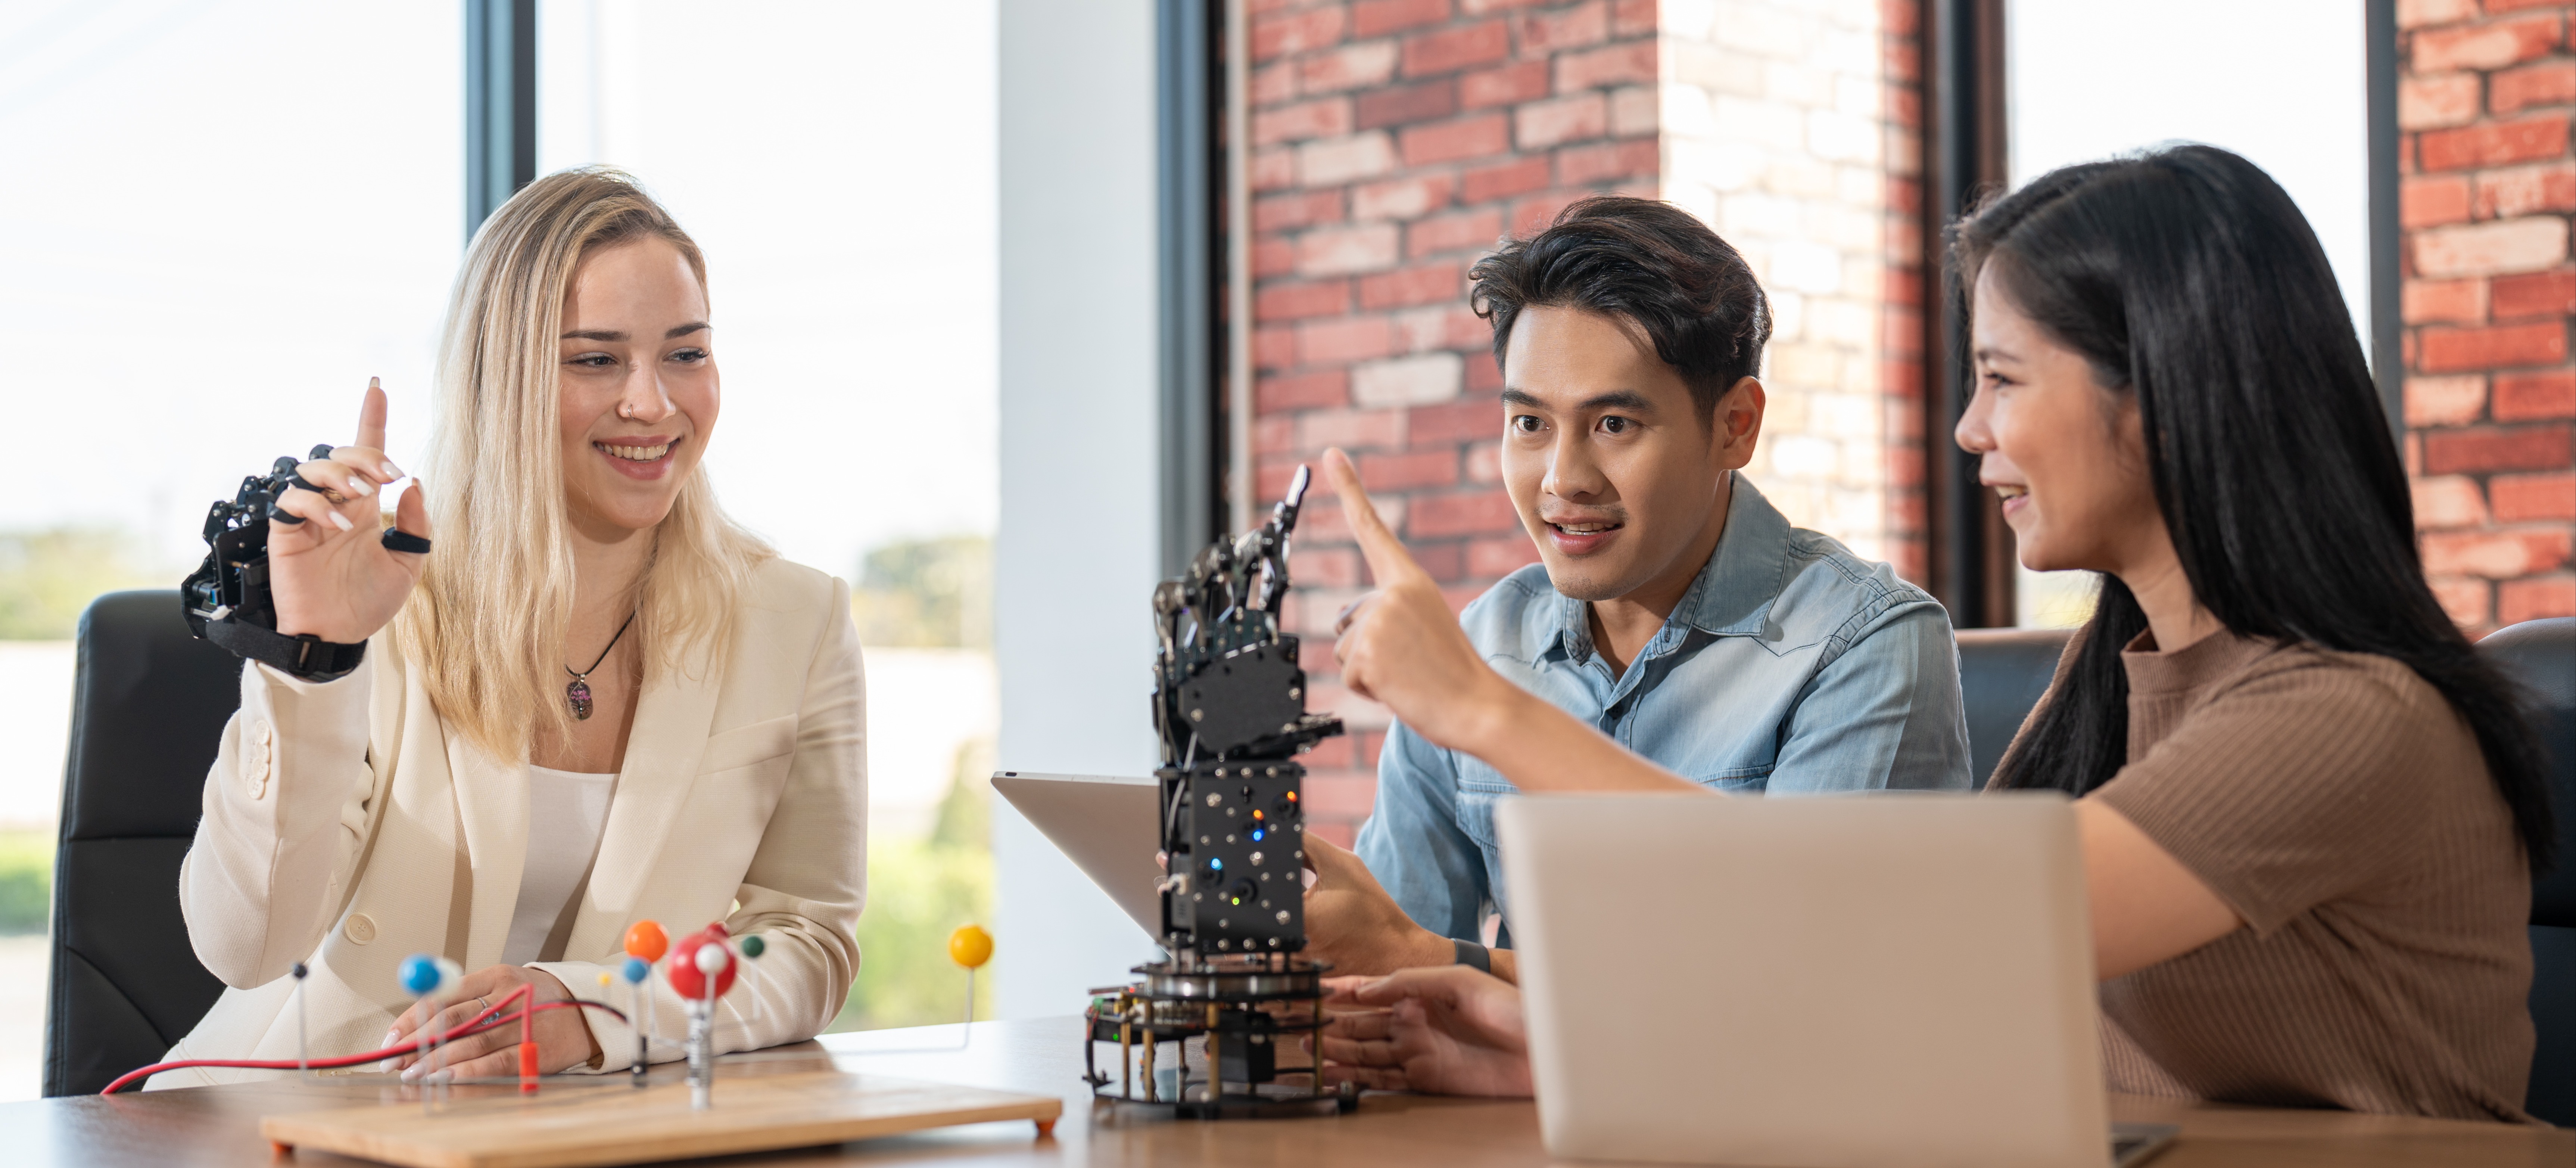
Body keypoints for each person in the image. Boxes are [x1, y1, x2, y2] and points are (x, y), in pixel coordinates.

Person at [1314, 146, 2554, 1123]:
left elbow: (1874, 931)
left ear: (2166, 396)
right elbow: (1880, 1003)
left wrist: (1482, 710)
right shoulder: (2111, 687)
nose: (1969, 430)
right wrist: (1528, 1037)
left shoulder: (2337, 715)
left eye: (2006, 380)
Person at [152, 169, 866, 1087]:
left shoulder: (797, 620)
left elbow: (806, 941)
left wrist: (597, 1010)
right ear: (501, 379)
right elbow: (243, 946)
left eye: (685, 354)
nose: (652, 402)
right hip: (302, 1109)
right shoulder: (385, 588)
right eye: (595, 359)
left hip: (583, 1130)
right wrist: (312, 664)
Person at [1306, 197, 1974, 983]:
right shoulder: (1482, 643)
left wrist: (1439, 959)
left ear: (1735, 426)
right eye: (1530, 425)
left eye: (1614, 424)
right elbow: (1395, 979)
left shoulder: (1863, 644)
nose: (1564, 480)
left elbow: (1816, 984)